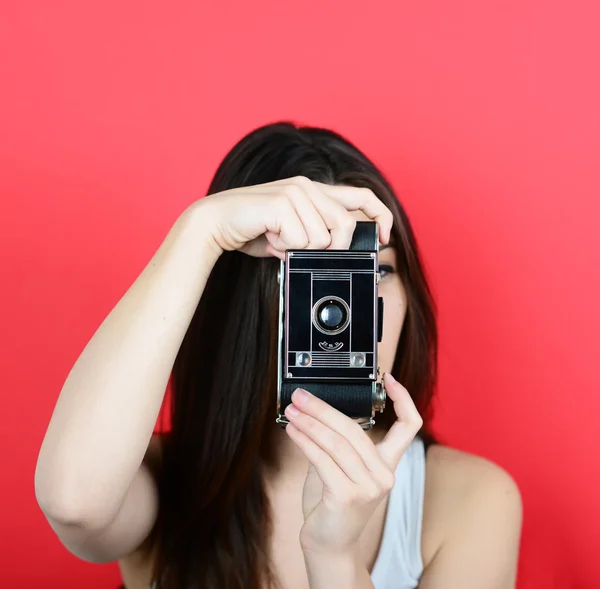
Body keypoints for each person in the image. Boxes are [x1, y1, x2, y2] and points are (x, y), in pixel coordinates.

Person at [35, 122, 522, 589]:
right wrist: (200, 232)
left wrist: (333, 558)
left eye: (374, 270)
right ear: (245, 301)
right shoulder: (155, 481)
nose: (342, 308)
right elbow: (74, 503)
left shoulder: (470, 502)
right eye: (316, 275)